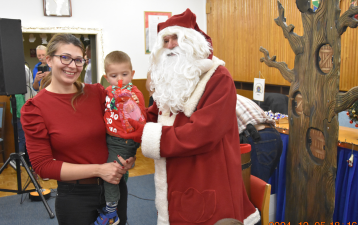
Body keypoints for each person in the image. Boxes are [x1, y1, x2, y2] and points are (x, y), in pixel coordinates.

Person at [128, 9, 260, 225]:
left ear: (192, 42)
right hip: (174, 176)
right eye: (165, 40)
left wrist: (148, 135)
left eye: (176, 38)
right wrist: (128, 117)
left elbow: (203, 133)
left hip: (207, 176)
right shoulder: (169, 79)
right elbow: (154, 116)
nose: (170, 45)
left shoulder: (218, 78)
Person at [21, 33, 134, 225]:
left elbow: (120, 128)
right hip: (76, 197)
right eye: (65, 57)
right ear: (48, 60)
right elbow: (43, 166)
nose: (73, 65)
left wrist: (127, 156)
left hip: (114, 187)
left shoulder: (97, 92)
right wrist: (99, 170)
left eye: (79, 60)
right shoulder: (35, 108)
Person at [96, 50, 146, 224]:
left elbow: (140, 119)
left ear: (132, 74)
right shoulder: (108, 91)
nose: (120, 79)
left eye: (124, 74)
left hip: (124, 141)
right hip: (110, 138)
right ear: (106, 77)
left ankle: (111, 211)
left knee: (111, 173)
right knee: (112, 172)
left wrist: (129, 106)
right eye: (114, 75)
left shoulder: (134, 94)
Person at [237, 94, 283, 182]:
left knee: (255, 189)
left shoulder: (218, 101)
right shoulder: (237, 96)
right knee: (261, 187)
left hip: (257, 138)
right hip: (274, 134)